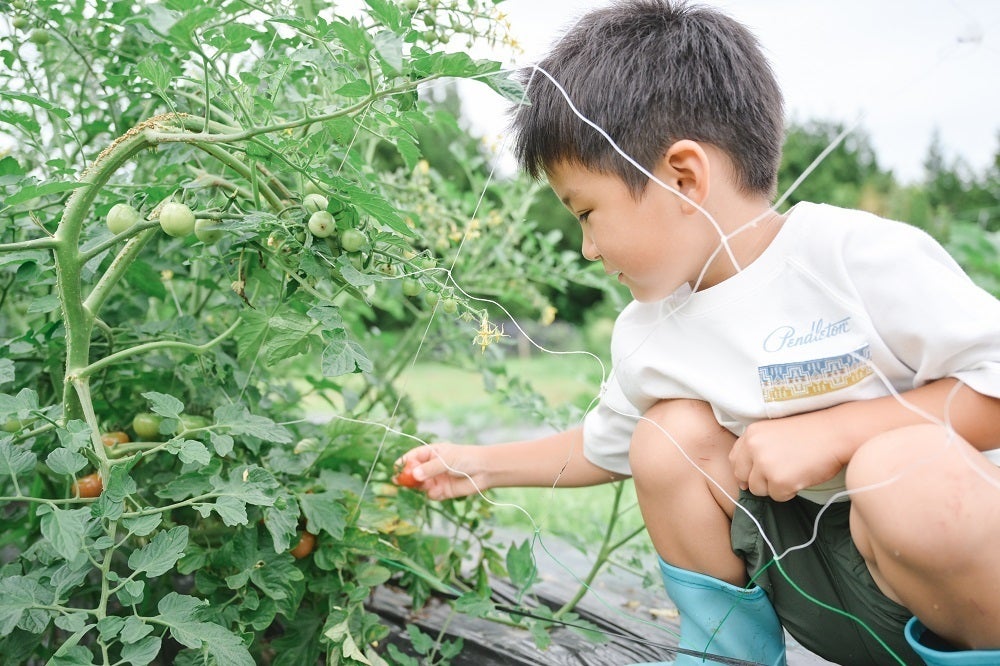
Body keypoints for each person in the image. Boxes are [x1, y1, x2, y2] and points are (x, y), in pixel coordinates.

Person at [395, 1, 1000, 664]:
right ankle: (726, 652)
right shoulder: (650, 331)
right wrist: (479, 464)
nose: (588, 247)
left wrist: (835, 434)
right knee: (666, 439)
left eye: (587, 213)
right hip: (822, 596)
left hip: (958, 590)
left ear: (684, 178)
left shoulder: (856, 257)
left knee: (899, 470)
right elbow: (603, 448)